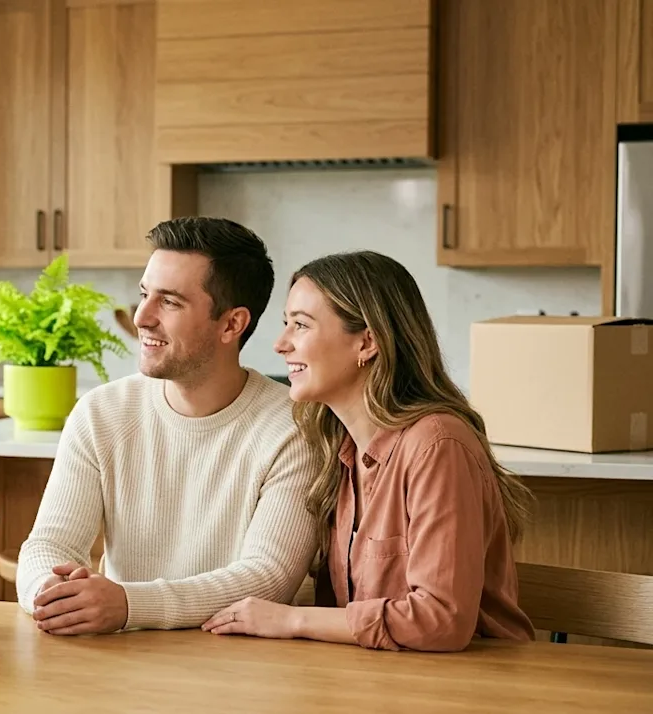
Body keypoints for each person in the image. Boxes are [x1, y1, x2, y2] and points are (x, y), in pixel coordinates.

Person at [203, 250, 536, 652]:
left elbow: (441, 620)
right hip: (374, 679)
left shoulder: (438, 445)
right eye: (285, 324)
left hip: (469, 686)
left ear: (368, 341)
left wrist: (292, 619)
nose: (280, 344)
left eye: (301, 325)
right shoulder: (333, 450)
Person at [17, 216, 322, 635]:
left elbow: (268, 577)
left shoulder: (294, 427)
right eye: (144, 294)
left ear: (232, 324)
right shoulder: (100, 412)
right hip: (120, 656)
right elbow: (49, 544)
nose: (142, 317)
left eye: (170, 302)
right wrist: (48, 593)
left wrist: (129, 604)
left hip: (240, 665)